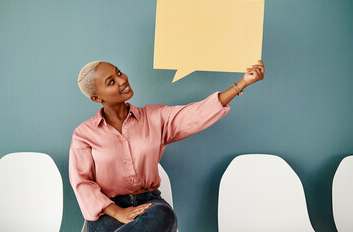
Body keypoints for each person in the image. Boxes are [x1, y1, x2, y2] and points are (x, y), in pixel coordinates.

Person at [69, 60, 265, 232]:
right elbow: (82, 183)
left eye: (119, 72)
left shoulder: (155, 118)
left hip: (150, 206)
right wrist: (118, 212)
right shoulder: (84, 134)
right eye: (111, 82)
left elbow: (196, 114)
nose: (122, 80)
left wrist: (242, 84)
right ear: (96, 98)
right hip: (108, 211)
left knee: (164, 217)